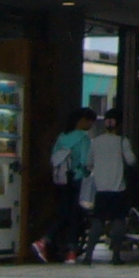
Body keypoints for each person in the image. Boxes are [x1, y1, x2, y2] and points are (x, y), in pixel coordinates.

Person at [36, 109, 95, 262]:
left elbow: (54, 158)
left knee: (63, 213)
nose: (91, 125)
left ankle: (44, 241)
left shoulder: (62, 137)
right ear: (82, 120)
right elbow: (85, 162)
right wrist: (87, 173)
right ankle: (71, 252)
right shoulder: (83, 138)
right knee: (76, 216)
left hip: (62, 180)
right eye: (90, 121)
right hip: (77, 179)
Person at [86, 111, 136, 261]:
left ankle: (88, 255)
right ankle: (116, 255)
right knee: (118, 220)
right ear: (119, 124)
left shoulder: (95, 141)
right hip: (118, 189)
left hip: (101, 189)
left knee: (98, 221)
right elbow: (131, 161)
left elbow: (88, 164)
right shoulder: (122, 141)